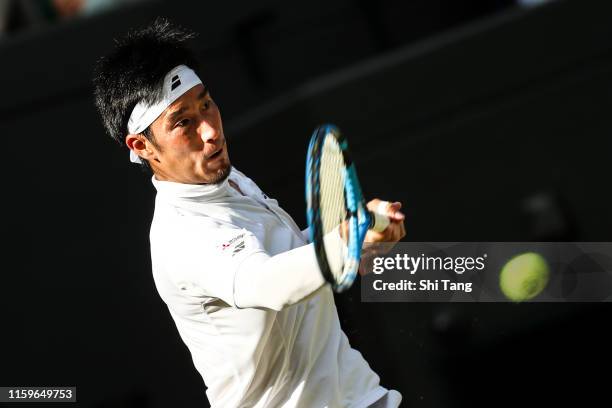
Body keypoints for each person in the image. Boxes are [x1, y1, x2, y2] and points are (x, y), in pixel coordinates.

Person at [93, 18, 406, 408]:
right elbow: (266, 283)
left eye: (206, 104)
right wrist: (343, 245)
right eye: (183, 123)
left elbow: (284, 256)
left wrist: (355, 238)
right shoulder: (182, 236)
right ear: (141, 145)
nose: (210, 131)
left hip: (363, 396)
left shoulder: (222, 177)